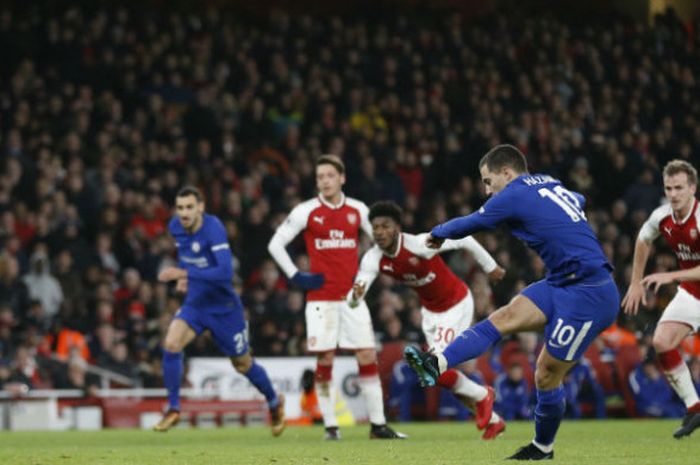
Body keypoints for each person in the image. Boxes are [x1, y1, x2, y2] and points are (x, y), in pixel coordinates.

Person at [403, 144, 619, 460]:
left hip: (590, 293)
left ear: (507, 172)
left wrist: (436, 233)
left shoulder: (515, 193)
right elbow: (579, 199)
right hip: (561, 281)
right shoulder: (549, 182)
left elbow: (470, 223)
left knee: (546, 373)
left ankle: (543, 447)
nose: (487, 189)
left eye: (489, 181)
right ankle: (437, 363)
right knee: (503, 317)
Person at [268, 154, 404, 440]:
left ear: (342, 178)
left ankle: (378, 425)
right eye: (320, 177)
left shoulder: (357, 209)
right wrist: (295, 275)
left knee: (366, 354)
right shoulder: (306, 211)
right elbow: (276, 244)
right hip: (320, 301)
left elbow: (383, 241)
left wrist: (366, 275)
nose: (325, 181)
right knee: (326, 359)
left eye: (330, 176)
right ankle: (331, 426)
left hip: (352, 299)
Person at [348, 200, 506, 439]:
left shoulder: (419, 244)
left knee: (433, 367)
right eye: (375, 227)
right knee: (436, 375)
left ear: (397, 228)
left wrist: (490, 266)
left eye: (385, 226)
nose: (379, 232)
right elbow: (356, 294)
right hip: (430, 312)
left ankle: (483, 395)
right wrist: (353, 297)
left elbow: (463, 239)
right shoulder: (373, 258)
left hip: (456, 304)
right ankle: (493, 420)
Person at [154, 186, 284, 436]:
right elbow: (187, 255)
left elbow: (225, 274)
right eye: (180, 207)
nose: (184, 213)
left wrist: (183, 273)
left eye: (190, 207)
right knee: (171, 344)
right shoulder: (175, 227)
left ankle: (274, 403)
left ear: (201, 207)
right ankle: (173, 408)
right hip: (196, 302)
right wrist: (186, 278)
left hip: (224, 308)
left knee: (243, 364)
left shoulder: (213, 229)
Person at [622, 159, 700, 438]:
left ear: (693, 188)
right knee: (661, 342)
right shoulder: (662, 217)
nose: (674, 194)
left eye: (679, 188)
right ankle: (694, 407)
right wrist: (635, 282)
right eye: (669, 188)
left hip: (688, 285)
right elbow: (643, 239)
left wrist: (671, 276)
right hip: (693, 294)